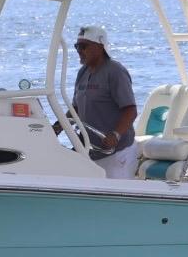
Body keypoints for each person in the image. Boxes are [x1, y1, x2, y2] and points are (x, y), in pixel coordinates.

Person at [59, 24, 138, 178]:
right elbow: (76, 109)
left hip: (117, 154)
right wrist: (57, 127)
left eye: (84, 46)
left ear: (100, 47)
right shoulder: (82, 72)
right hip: (91, 152)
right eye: (77, 47)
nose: (79, 51)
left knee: (114, 192)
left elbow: (130, 110)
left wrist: (115, 135)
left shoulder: (115, 72)